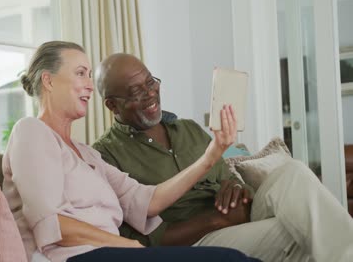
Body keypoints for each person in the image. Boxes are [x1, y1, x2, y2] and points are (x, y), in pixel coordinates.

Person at [1, 41, 259, 262]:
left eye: (90, 75)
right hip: (75, 257)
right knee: (229, 260)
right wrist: (127, 245)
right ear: (48, 80)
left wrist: (211, 155)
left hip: (110, 253)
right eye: (81, 73)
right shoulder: (31, 131)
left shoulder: (87, 154)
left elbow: (148, 200)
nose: (90, 85)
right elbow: (52, 223)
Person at [92, 53, 353, 262]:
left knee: (292, 172)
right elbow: (134, 240)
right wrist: (216, 219)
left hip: (241, 215)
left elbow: (230, 178)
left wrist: (238, 189)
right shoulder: (106, 155)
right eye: (136, 92)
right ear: (112, 105)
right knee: (295, 232)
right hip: (200, 240)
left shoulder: (188, 129)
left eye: (150, 82)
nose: (150, 93)